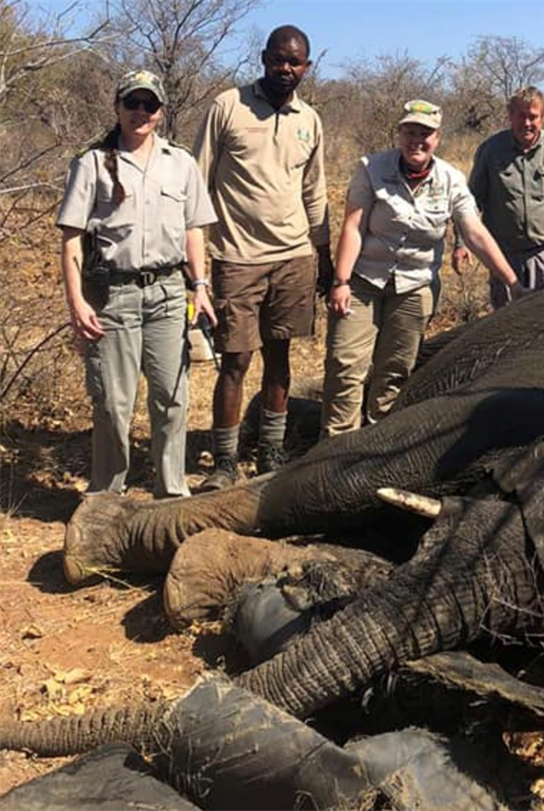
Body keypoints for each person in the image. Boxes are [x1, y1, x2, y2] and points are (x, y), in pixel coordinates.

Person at [57, 69, 217, 498]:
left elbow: (194, 230)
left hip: (167, 294)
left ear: (161, 111)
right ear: (118, 107)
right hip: (112, 296)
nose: (140, 112)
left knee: (171, 398)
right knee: (112, 404)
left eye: (149, 104)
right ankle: (106, 500)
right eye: (133, 103)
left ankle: (171, 494)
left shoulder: (180, 163)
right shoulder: (91, 163)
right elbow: (72, 239)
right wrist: (76, 302)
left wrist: (200, 287)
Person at [321, 100, 524, 436]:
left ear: (438, 138)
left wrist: (512, 282)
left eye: (425, 134)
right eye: (410, 131)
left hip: (415, 285)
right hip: (363, 280)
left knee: (395, 369)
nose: (417, 140)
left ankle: (375, 444)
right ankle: (333, 443)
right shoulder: (371, 168)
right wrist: (341, 280)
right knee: (345, 365)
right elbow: (353, 226)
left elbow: (475, 232)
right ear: (399, 134)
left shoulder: (451, 179)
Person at [193, 25, 332, 489]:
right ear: (263, 58)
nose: (286, 69)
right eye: (279, 59)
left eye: (295, 62)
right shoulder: (227, 107)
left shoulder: (308, 119)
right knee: (235, 360)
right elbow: (198, 182)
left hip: (294, 255)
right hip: (237, 256)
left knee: (280, 356)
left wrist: (325, 254)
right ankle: (225, 461)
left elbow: (314, 192)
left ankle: (270, 452)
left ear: (306, 68)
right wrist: (192, 257)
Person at [454, 86, 544, 308]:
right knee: (505, 325)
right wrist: (461, 243)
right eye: (521, 116)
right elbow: (470, 205)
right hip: (504, 255)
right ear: (510, 116)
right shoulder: (490, 150)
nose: (527, 123)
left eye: (533, 117)